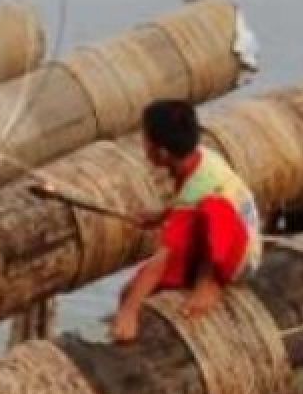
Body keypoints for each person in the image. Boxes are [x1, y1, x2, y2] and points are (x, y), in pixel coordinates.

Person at [111, 99, 262, 342]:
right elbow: (186, 199)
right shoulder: (201, 157)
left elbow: (162, 259)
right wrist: (160, 217)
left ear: (160, 153)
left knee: (213, 210)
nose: (143, 145)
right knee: (130, 290)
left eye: (145, 140)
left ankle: (209, 280)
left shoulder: (197, 192)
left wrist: (130, 311)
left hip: (239, 257)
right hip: (226, 236)